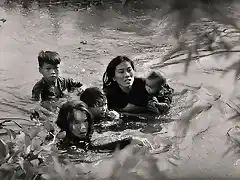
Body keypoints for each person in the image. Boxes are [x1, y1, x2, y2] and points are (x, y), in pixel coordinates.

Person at [55, 100, 152, 152]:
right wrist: (129, 140)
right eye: (76, 123)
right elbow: (94, 148)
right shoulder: (63, 141)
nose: (83, 127)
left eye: (85, 121)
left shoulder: (90, 129)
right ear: (66, 124)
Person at [102, 56, 173, 113]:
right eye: (121, 72)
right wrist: (123, 111)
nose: (127, 75)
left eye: (129, 70)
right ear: (114, 77)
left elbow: (167, 89)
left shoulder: (144, 84)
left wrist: (163, 105)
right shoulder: (108, 94)